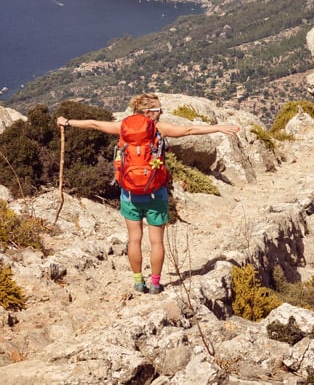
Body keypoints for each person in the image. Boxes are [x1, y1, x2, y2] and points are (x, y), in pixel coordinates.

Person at [57, 93, 240, 294]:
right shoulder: (159, 129)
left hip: (129, 194)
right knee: (156, 241)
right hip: (156, 193)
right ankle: (155, 284)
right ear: (148, 112)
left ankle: (138, 282)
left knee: (134, 239)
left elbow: (95, 125)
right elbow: (189, 130)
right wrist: (218, 128)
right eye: (158, 110)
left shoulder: (123, 127)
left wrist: (67, 122)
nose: (161, 113)